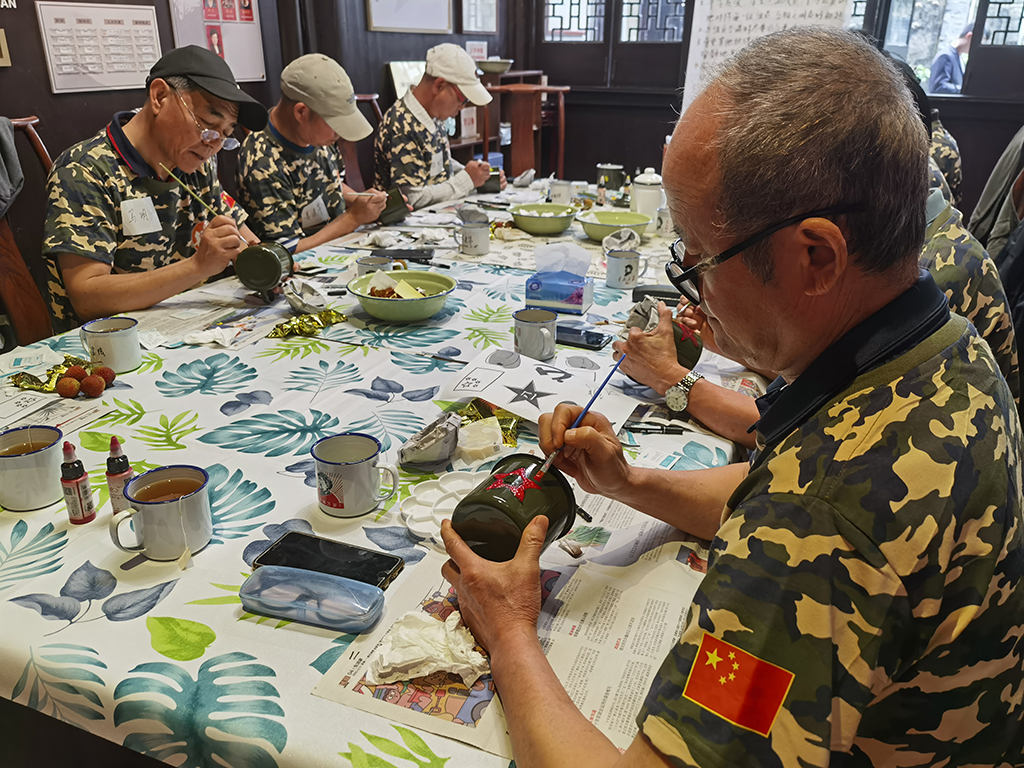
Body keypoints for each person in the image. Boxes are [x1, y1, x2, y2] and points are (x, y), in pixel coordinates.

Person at [440, 28, 1023, 767]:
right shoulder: (940, 345)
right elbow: (769, 485)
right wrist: (629, 483)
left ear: (816, 256)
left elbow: (805, 516)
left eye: (699, 258)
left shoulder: (820, 521)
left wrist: (508, 627)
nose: (690, 288)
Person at [42, 45, 267, 333]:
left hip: (188, 328)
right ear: (160, 96)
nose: (213, 145)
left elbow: (240, 235)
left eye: (225, 135)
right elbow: (87, 297)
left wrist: (265, 263)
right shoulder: (85, 171)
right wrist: (197, 267)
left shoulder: (196, 162)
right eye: (208, 125)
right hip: (112, 344)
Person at [236, 54, 386, 253]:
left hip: (340, 247)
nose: (339, 134)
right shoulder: (261, 162)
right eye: (334, 124)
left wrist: (361, 200)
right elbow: (286, 250)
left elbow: (331, 182)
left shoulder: (316, 135)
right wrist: (353, 218)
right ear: (301, 112)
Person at [374, 43, 505, 209]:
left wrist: (480, 176)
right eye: (462, 99)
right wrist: (467, 180)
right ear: (439, 86)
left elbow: (439, 163)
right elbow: (412, 198)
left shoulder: (433, 115)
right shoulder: (400, 124)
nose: (463, 107)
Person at [927, 23, 972, 94]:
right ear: (969, 36)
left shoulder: (958, 57)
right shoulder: (945, 56)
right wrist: (963, 89)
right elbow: (939, 87)